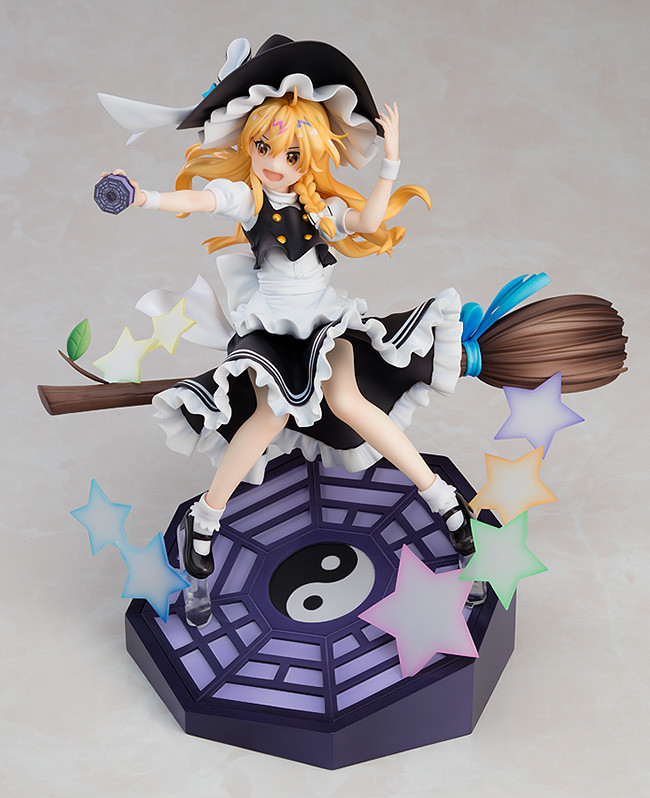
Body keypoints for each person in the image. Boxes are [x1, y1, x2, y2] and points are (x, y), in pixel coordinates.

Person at [98, 36, 627, 580]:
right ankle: (206, 521)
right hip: (271, 334)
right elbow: (199, 198)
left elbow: (369, 222)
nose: (274, 163)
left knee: (349, 401)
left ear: (311, 157)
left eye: (291, 155)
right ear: (249, 143)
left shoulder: (320, 209)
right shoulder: (249, 198)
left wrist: (391, 162)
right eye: (263, 147)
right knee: (267, 418)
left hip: (323, 325)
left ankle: (443, 501)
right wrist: (142, 197)